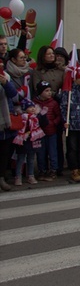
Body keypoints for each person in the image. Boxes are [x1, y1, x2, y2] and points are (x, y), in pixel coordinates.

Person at [32, 80, 61, 181]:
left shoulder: (53, 103)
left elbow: (58, 116)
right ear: (40, 92)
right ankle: (42, 170)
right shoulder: (35, 103)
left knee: (52, 152)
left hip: (51, 132)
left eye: (50, 90)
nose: (49, 93)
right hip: (39, 133)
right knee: (40, 153)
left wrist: (53, 123)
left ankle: (53, 170)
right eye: (46, 91)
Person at [12, 98, 43, 186]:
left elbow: (43, 123)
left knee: (31, 158)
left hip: (32, 139)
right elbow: (20, 128)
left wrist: (43, 115)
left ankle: (31, 175)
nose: (33, 109)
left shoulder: (35, 117)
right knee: (21, 158)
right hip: (23, 140)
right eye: (30, 107)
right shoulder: (23, 117)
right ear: (25, 108)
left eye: (33, 107)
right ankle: (18, 176)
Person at [0, 58, 18, 191]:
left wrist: (6, 83)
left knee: (5, 152)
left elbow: (14, 95)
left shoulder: (6, 77)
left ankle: (1, 178)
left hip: (6, 121)